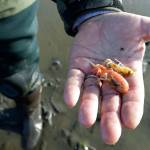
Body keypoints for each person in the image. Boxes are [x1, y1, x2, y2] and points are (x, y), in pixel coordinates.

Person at [0, 0, 150, 149]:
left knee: (19, 70)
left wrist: (96, 8)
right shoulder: (109, 73)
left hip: (12, 14)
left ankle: (30, 111)